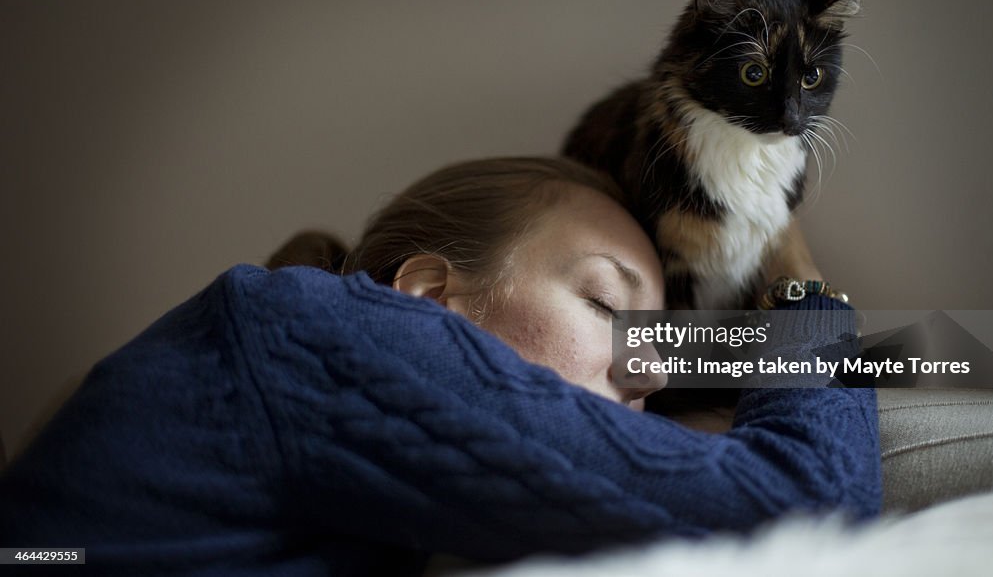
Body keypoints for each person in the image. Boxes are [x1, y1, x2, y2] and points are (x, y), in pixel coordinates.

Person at [0, 157, 880, 575]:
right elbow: (806, 499)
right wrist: (799, 292)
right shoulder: (336, 331)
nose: (643, 371)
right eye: (609, 310)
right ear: (428, 291)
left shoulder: (324, 391)